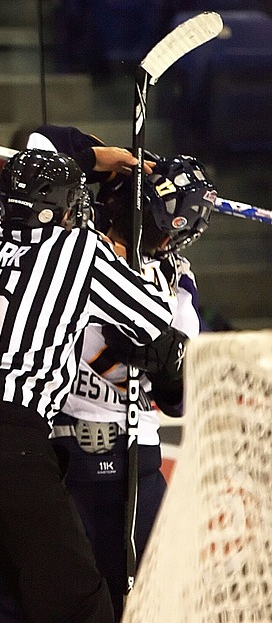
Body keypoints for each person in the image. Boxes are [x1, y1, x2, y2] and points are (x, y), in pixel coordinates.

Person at [0, 148, 189, 623]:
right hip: (10, 439)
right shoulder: (76, 250)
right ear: (62, 208)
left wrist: (85, 160)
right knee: (77, 599)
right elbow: (154, 326)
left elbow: (40, 151)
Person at [30, 128, 215, 621]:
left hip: (134, 454)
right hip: (55, 452)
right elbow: (39, 146)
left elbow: (178, 398)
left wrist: (163, 363)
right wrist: (100, 156)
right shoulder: (70, 247)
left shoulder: (175, 280)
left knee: (148, 602)